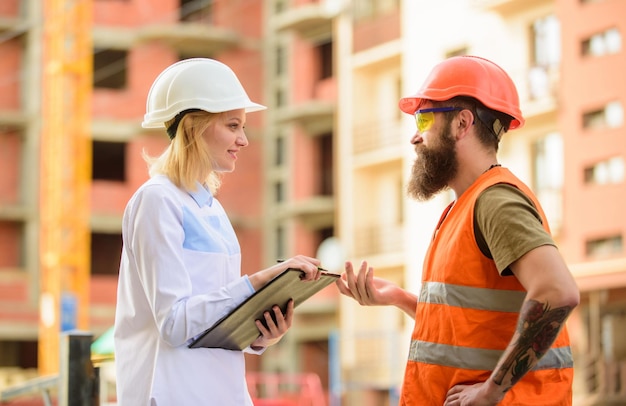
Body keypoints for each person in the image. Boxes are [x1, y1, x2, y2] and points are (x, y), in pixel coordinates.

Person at [336, 55, 580, 405]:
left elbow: (558, 292)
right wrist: (399, 297)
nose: (415, 137)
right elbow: (470, 327)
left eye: (424, 118)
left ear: (461, 124)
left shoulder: (495, 201)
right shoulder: (463, 208)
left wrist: (489, 392)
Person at [113, 58, 323, 405]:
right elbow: (175, 324)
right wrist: (257, 283)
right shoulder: (156, 201)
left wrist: (260, 334)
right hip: (171, 394)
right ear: (194, 127)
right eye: (233, 125)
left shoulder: (212, 208)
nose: (243, 139)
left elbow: (214, 317)